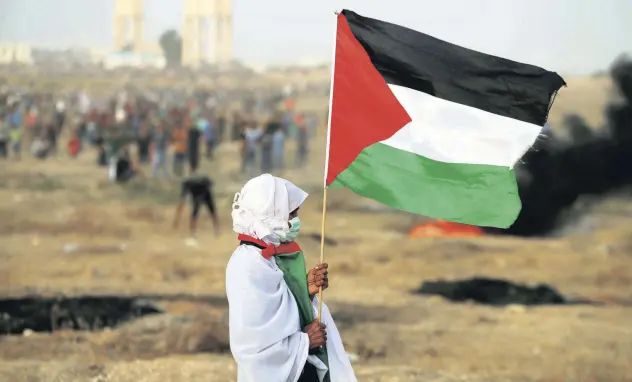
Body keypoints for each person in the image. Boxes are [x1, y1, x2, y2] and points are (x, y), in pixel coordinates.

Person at [226, 174, 356, 382]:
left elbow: (279, 312)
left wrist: (305, 291)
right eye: (291, 214)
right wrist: (304, 342)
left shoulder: (268, 257)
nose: (295, 221)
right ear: (270, 214)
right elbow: (253, 344)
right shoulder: (249, 264)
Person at [173, 173, 219, 238]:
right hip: (205, 191)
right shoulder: (190, 182)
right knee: (211, 211)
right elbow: (210, 183)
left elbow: (181, 202)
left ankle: (193, 232)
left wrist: (176, 220)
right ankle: (216, 229)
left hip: (202, 192)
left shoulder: (186, 184)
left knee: (195, 213)